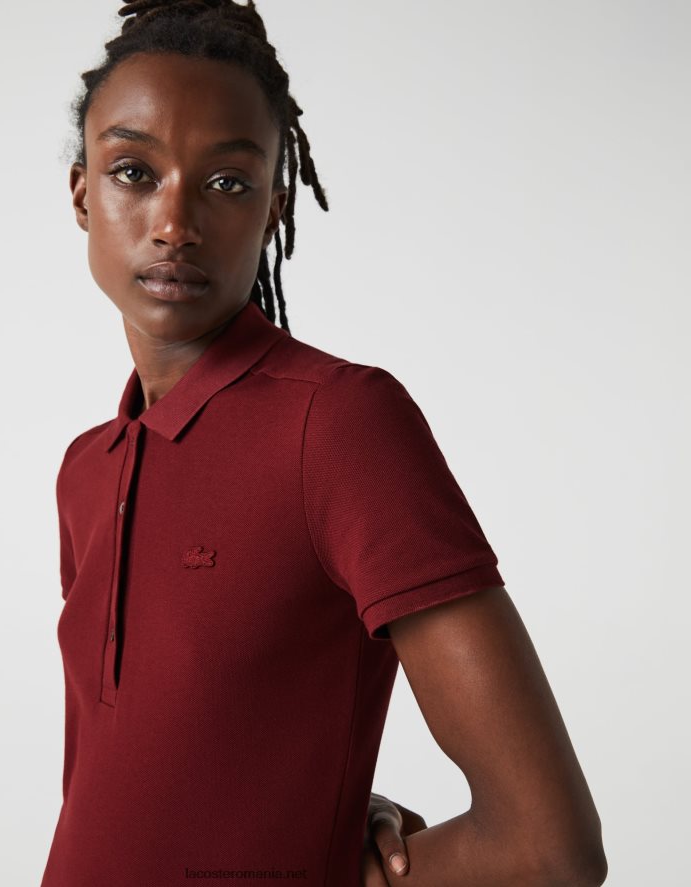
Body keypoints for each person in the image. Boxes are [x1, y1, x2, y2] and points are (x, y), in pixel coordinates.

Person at [41, 2, 607, 885]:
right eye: (133, 171)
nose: (173, 222)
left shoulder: (339, 424)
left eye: (227, 182)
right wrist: (313, 802)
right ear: (83, 194)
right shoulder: (87, 468)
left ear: (274, 206)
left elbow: (545, 844)